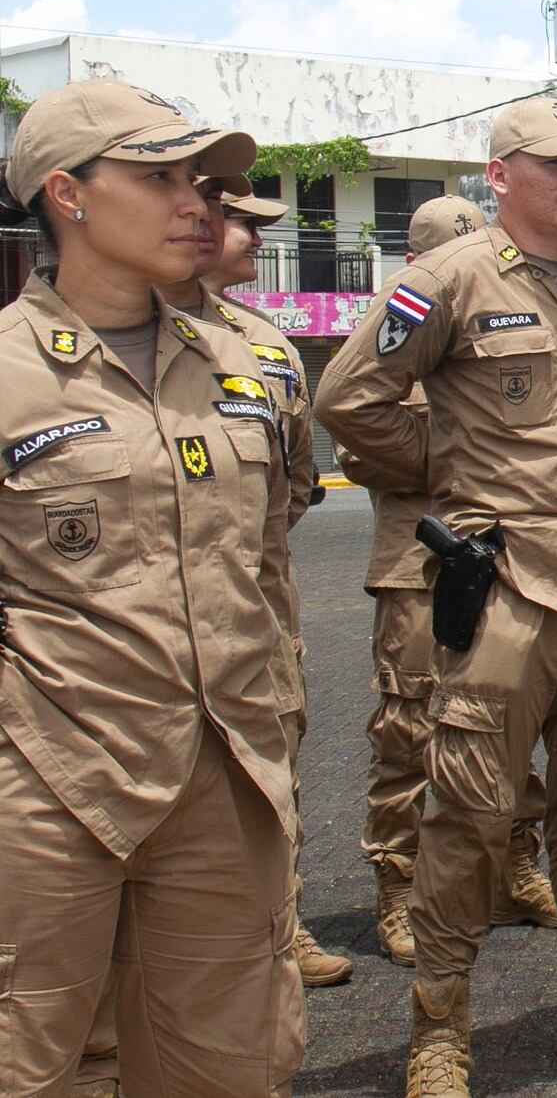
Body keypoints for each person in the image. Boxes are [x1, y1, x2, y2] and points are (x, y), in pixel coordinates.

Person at [317, 95, 557, 1093]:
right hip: (503, 585)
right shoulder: (446, 279)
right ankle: (439, 1026)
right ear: (499, 176)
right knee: (470, 805)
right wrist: (456, 473)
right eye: (554, 162)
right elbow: (349, 400)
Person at [0, 80, 304, 1092]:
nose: (195, 203)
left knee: (226, 1067)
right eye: (160, 177)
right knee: (25, 1062)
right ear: (67, 195)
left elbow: (265, 561)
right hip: (46, 783)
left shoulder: (240, 367)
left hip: (223, 777)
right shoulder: (8, 373)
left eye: (198, 181)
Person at [152, 180, 358, 988]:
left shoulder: (265, 348)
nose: (248, 234)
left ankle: (281, 920)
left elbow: (294, 480)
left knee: (271, 774)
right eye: (239, 218)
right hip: (134, 631)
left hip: (254, 611)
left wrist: (242, 551)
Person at [345, 196, 557, 970]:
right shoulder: (394, 328)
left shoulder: (507, 322)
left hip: (503, 556)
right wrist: (469, 457)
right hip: (416, 563)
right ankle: (398, 882)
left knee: (507, 715)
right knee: (408, 728)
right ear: (417, 262)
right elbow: (358, 444)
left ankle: (515, 864)